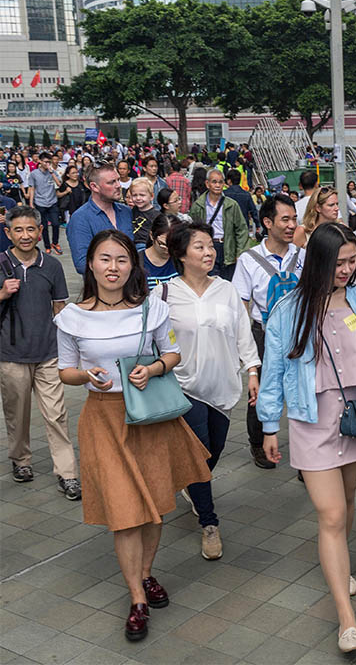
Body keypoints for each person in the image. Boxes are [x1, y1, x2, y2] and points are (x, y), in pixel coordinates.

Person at [257, 222, 356, 652]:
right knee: (330, 515)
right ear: (318, 260)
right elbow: (273, 372)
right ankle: (346, 617)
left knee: (344, 505)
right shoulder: (290, 309)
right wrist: (270, 424)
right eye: (338, 262)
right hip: (312, 421)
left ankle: (340, 568)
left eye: (352, 261)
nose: (346, 270)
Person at [55, 230, 211, 643]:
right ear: (90, 263)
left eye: (122, 260)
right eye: (105, 259)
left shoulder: (152, 309)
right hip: (103, 419)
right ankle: (137, 597)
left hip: (150, 416)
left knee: (156, 505)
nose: (113, 267)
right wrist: (86, 375)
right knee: (125, 513)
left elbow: (173, 353)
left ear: (132, 265)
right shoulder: (71, 317)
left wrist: (155, 368)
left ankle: (145, 573)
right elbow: (65, 371)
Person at [154, 222, 259, 561]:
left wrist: (252, 370)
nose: (209, 252)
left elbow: (243, 332)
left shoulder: (226, 290)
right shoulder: (164, 294)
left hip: (223, 385)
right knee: (200, 455)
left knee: (213, 451)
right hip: (184, 386)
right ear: (181, 254)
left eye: (210, 245)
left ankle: (189, 481)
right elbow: (152, 341)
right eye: (199, 246)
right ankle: (209, 523)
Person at [0, 206, 80, 499]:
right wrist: (2, 293)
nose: (25, 235)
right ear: (8, 233)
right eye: (18, 230)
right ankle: (21, 460)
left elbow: (60, 308)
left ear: (40, 230)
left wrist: (70, 349)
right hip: (10, 354)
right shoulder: (0, 263)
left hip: (49, 352)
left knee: (56, 414)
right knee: (17, 414)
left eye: (31, 229)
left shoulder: (53, 265)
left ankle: (67, 472)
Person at [233, 194, 304, 469]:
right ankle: (257, 442)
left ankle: (306, 454)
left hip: (299, 333)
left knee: (302, 390)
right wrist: (245, 348)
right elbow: (241, 305)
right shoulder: (249, 260)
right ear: (267, 222)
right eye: (285, 219)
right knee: (261, 392)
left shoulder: (303, 256)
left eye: (294, 219)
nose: (291, 225)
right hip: (263, 334)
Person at [67, 162, 134, 274]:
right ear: (94, 187)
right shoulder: (80, 218)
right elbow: (82, 264)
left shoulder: (126, 211)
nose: (118, 185)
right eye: (111, 182)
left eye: (118, 180)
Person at [189, 168, 247, 280]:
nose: (217, 185)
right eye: (214, 182)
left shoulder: (232, 205)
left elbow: (241, 229)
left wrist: (240, 252)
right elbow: (192, 230)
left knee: (227, 282)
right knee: (210, 281)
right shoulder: (198, 205)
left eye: (220, 182)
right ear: (207, 184)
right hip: (208, 246)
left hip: (226, 246)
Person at [27, 151, 62, 255]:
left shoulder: (52, 171)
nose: (48, 164)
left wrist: (52, 172)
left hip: (52, 201)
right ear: (40, 161)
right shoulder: (34, 174)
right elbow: (32, 188)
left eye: (49, 162)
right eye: (46, 162)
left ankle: (55, 243)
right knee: (44, 226)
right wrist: (31, 203)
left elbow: (59, 184)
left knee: (56, 224)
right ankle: (47, 246)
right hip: (40, 202)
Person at [141, 214, 179, 289]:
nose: (169, 249)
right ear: (152, 236)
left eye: (173, 244)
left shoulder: (181, 259)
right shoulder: (138, 262)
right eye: (163, 244)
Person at [128, 178, 160, 251]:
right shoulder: (132, 210)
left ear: (151, 196)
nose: (138, 198)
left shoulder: (156, 215)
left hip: (144, 245)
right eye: (134, 195)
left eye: (142, 195)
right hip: (130, 242)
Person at [225, 168, 259, 234]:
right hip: (243, 224)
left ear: (229, 181)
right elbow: (253, 210)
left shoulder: (224, 194)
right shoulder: (246, 194)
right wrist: (257, 224)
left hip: (227, 224)